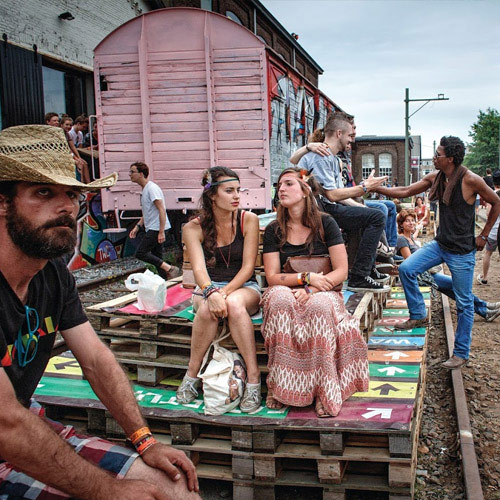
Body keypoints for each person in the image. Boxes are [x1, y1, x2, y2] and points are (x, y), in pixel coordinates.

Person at [0, 124, 200, 500]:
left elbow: (94, 358)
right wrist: (110, 492)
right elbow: (6, 424)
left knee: (172, 486)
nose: (66, 207)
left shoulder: (52, 273)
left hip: (28, 426)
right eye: (43, 192)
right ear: (2, 201)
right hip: (11, 434)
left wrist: (144, 440)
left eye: (72, 194)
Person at [373, 136, 500, 369]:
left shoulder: (471, 180)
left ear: (450, 158)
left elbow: (496, 201)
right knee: (407, 269)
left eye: (438, 154)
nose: (434, 157)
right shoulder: (437, 177)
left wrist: (483, 235)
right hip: (440, 245)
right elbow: (405, 191)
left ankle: (461, 353)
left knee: (463, 304)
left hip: (462, 252)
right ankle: (418, 313)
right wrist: (373, 187)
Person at [261, 167, 369, 417]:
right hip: (288, 287)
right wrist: (305, 278)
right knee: (278, 300)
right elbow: (272, 277)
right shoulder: (274, 230)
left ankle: (324, 389)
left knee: (319, 307)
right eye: (279, 185)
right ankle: (281, 387)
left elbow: (341, 270)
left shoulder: (326, 223)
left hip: (324, 290)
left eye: (288, 184)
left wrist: (310, 289)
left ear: (305, 190)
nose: (282, 189)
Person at [176, 167, 262, 412]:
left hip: (243, 287)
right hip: (208, 287)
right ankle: (191, 377)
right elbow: (199, 271)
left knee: (233, 305)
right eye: (229, 191)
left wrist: (222, 294)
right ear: (212, 195)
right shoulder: (193, 227)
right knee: (206, 310)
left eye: (238, 190)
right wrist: (211, 292)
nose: (236, 196)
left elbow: (247, 268)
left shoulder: (248, 220)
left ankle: (254, 379)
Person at [290, 112, 390, 292]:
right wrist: (364, 188)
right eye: (350, 135)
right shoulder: (322, 156)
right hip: (318, 210)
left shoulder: (333, 159)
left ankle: (365, 270)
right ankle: (359, 275)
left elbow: (340, 196)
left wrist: (361, 205)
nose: (352, 140)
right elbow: (332, 196)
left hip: (327, 206)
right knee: (375, 216)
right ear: (338, 133)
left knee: (371, 214)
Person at [396, 209, 500, 322]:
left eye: (412, 220)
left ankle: (485, 309)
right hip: (422, 276)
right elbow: (409, 261)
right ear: (401, 224)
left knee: (455, 287)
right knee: (454, 285)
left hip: (427, 273)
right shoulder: (401, 239)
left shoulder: (410, 238)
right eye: (407, 221)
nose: (411, 223)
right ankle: (485, 307)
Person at [128, 162, 181, 281]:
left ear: (141, 174)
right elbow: (147, 211)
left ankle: (170, 269)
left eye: (132, 172)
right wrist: (137, 226)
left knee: (141, 253)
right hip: (153, 227)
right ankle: (164, 280)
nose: (130, 175)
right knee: (157, 255)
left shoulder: (152, 188)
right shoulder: (146, 189)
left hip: (157, 228)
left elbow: (162, 209)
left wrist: (161, 231)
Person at [477, 169, 500, 285]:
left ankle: (485, 277)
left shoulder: (493, 195)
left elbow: (488, 214)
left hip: (494, 230)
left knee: (488, 253)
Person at [60, 116, 91, 184]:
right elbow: (68, 148)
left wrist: (79, 157)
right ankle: (80, 184)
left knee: (84, 163)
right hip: (64, 154)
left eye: (70, 125)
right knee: (79, 164)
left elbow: (73, 146)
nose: (69, 126)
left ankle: (88, 184)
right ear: (61, 125)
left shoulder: (67, 134)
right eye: (67, 125)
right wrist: (75, 157)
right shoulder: (63, 134)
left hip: (70, 153)